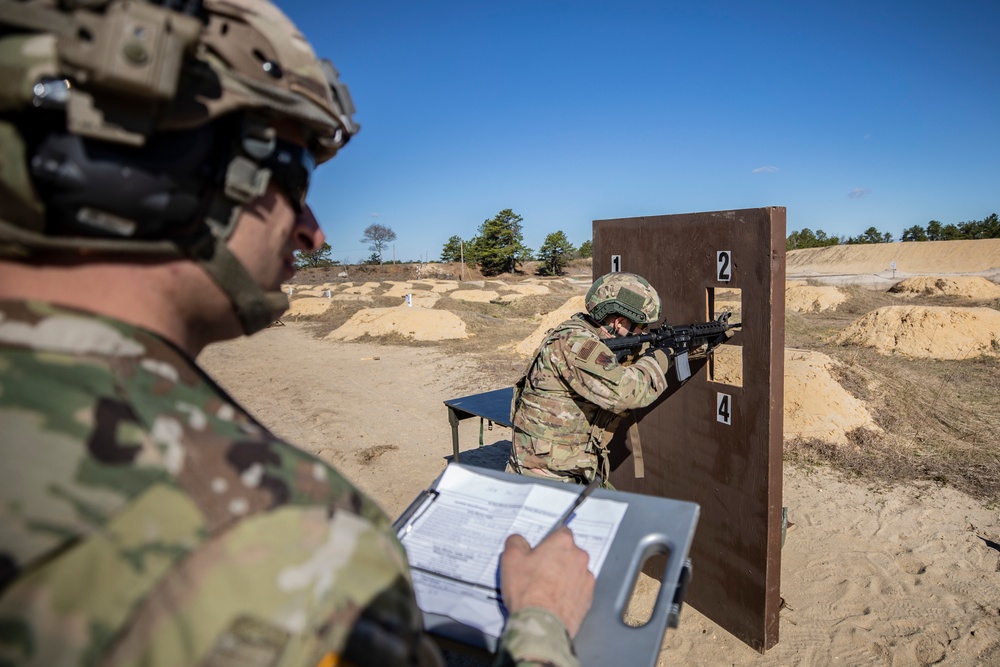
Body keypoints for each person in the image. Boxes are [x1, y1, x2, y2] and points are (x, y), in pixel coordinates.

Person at [0, 2, 594, 666]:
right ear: (170, 166)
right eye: (295, 177)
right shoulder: (283, 543)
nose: (315, 232)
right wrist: (540, 620)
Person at [508, 272, 675, 485]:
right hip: (545, 477)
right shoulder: (577, 343)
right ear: (620, 322)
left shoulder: (584, 331)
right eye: (641, 326)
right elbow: (627, 393)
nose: (644, 332)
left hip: (560, 465)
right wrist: (659, 357)